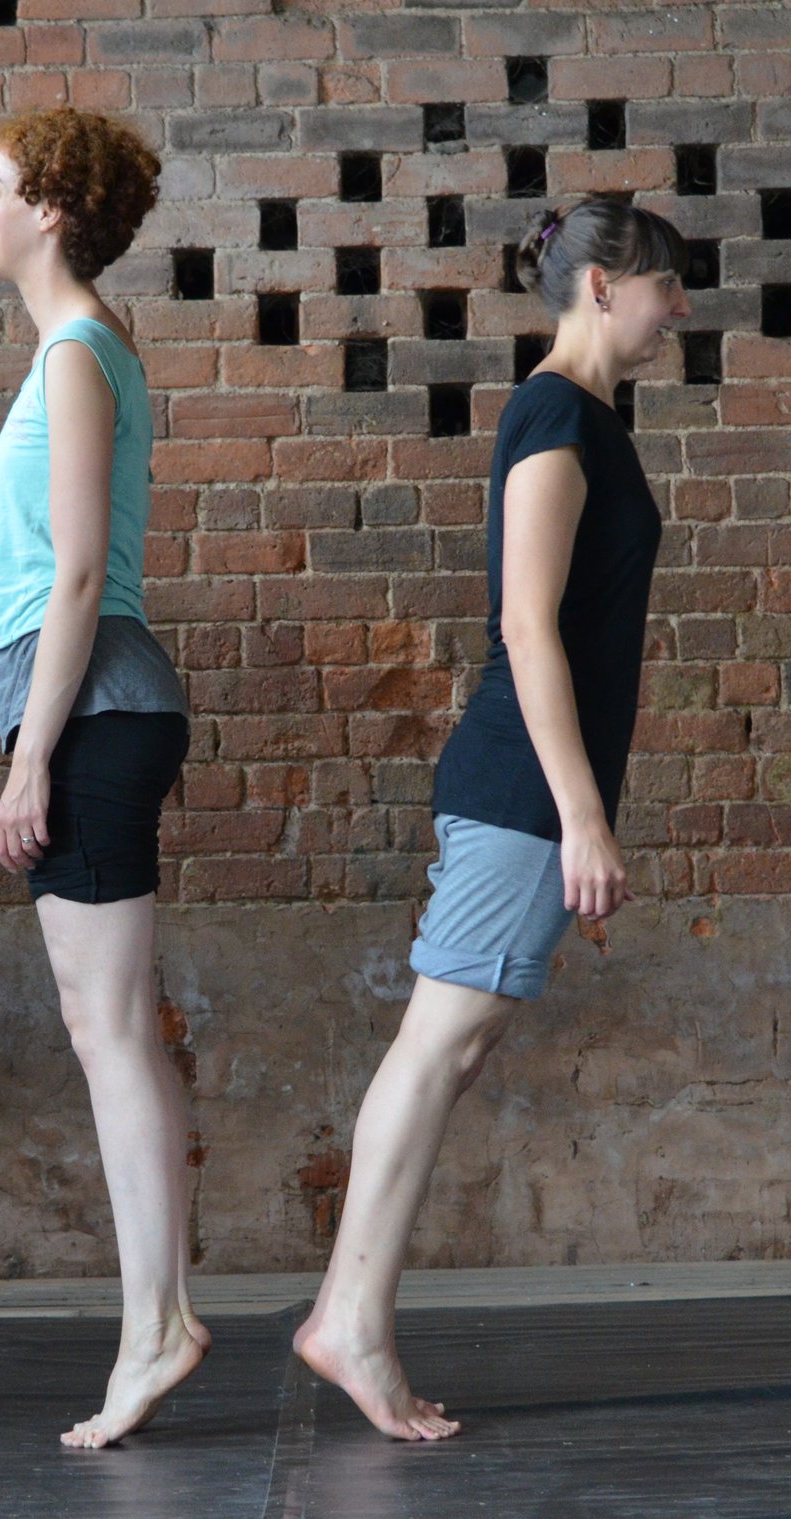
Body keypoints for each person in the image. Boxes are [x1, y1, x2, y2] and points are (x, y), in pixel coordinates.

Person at [293, 196, 691, 1440]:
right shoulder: (555, 415)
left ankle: (348, 1316)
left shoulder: (583, 422)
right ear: (602, 286)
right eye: (666, 285)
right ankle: (345, 1321)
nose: (678, 309)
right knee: (434, 1048)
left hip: (528, 793)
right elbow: (525, 623)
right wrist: (581, 815)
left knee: (451, 1049)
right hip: (521, 789)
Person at [0, 108, 204, 1449]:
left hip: (96, 710)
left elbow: (73, 573)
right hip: (98, 707)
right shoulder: (83, 349)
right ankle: (159, 1319)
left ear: (51, 211)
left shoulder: (75, 357)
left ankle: (156, 1330)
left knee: (107, 1030)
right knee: (112, 1025)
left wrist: (33, 758)